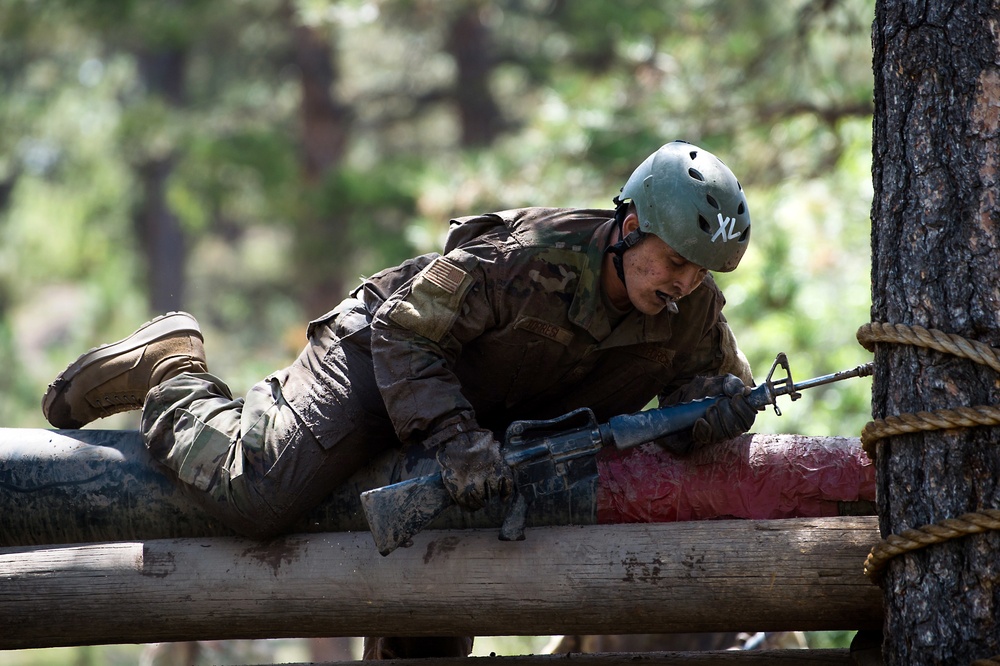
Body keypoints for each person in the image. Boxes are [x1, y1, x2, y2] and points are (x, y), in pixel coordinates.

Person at [42, 140, 757, 659]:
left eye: (700, 273)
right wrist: (454, 440)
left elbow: (700, 395)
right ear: (629, 228)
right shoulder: (522, 257)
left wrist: (715, 413)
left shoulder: (690, 310)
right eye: (674, 262)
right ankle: (173, 370)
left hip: (480, 431)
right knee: (256, 495)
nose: (684, 284)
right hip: (383, 355)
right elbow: (405, 332)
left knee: (433, 627)